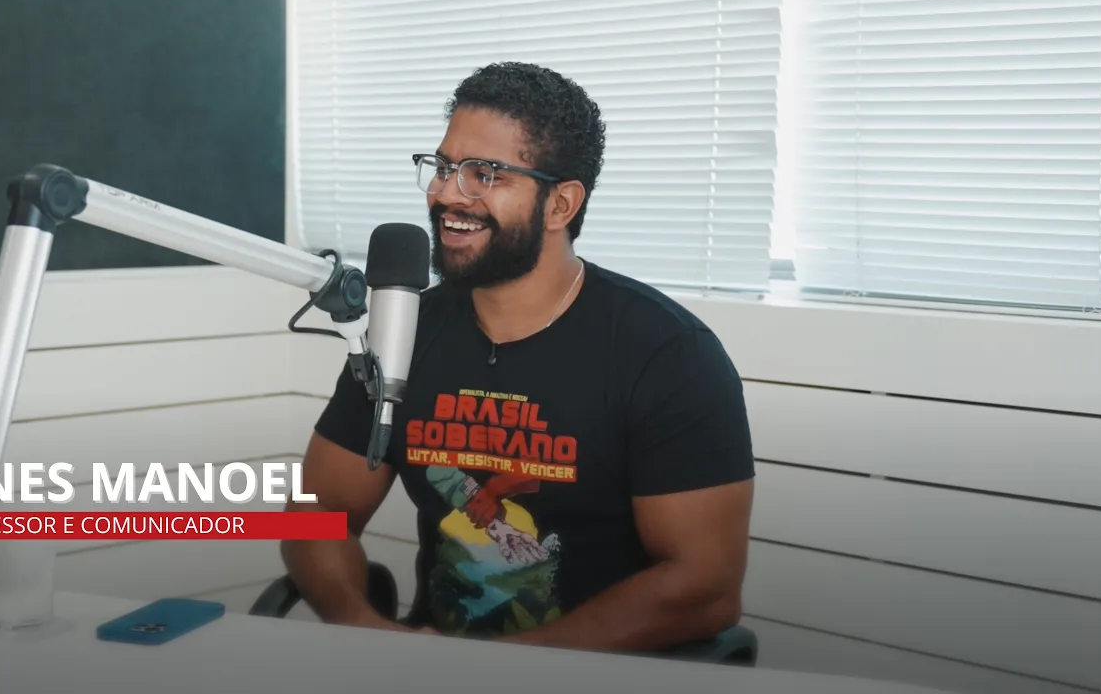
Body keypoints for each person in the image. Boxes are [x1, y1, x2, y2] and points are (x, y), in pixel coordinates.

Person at [282, 61, 755, 654]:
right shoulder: (403, 333)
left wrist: (502, 669)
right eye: (444, 167)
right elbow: (318, 509)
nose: (446, 194)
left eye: (484, 175)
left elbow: (704, 588)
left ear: (560, 205)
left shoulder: (667, 355)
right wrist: (366, 630)